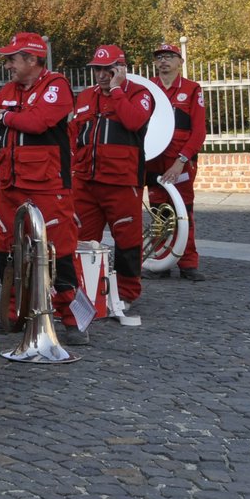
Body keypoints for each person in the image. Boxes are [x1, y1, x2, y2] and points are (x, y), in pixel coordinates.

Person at [0, 32, 85, 344]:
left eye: (12, 59)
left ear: (32, 59)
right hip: (11, 184)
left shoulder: (56, 86)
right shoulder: (10, 89)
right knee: (6, 250)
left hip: (49, 186)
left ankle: (73, 320)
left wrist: (3, 116)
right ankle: (14, 314)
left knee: (59, 253)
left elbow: (38, 122)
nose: (7, 65)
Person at [71, 45, 154, 307]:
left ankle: (127, 293)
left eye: (108, 69)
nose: (102, 75)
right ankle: (85, 290)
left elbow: (134, 122)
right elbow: (74, 133)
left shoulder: (140, 94)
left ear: (120, 69)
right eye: (97, 69)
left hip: (122, 182)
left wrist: (118, 90)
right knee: (81, 239)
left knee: (127, 241)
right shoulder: (84, 96)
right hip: (86, 181)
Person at [146, 42, 206, 279]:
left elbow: (199, 132)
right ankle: (162, 260)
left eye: (170, 56)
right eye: (160, 57)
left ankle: (188, 263)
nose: (164, 61)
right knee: (159, 210)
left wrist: (181, 160)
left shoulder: (192, 89)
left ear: (180, 62)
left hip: (179, 160)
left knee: (184, 211)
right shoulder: (148, 88)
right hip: (154, 159)